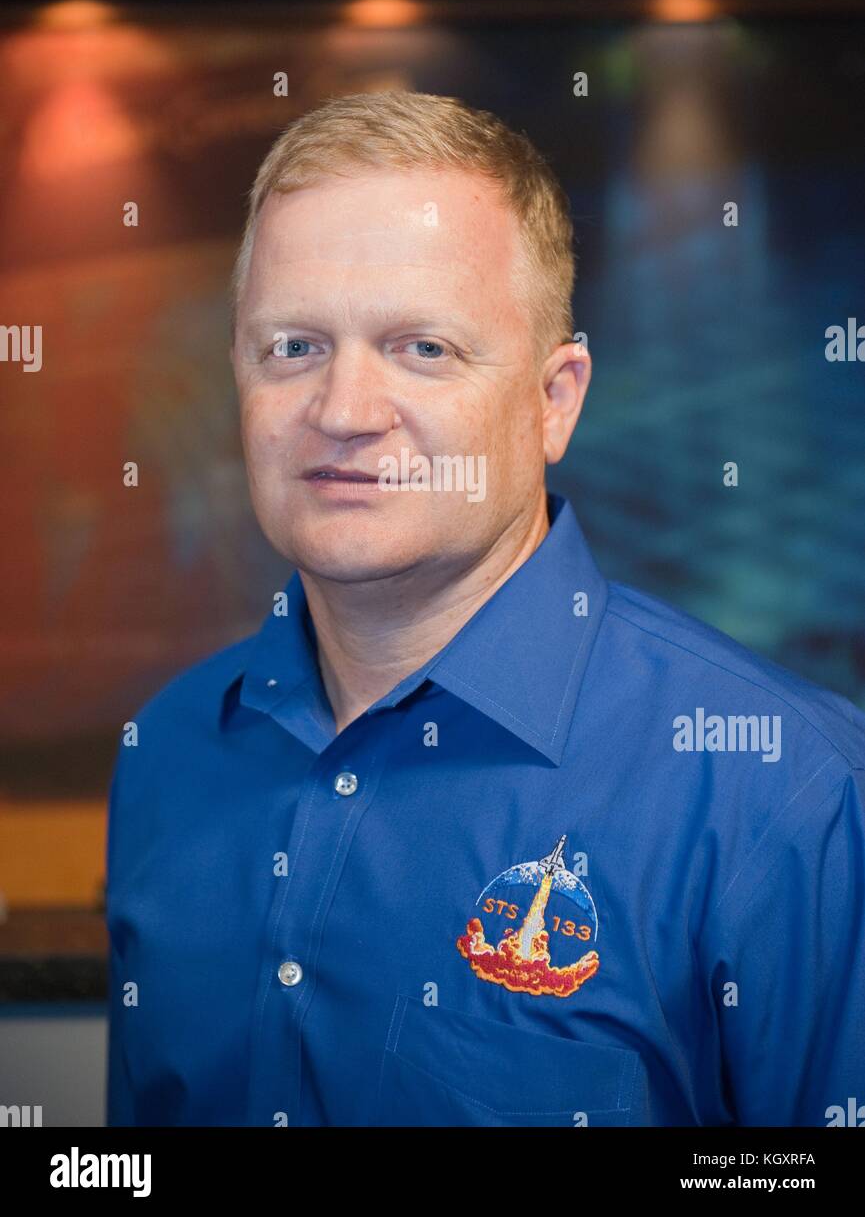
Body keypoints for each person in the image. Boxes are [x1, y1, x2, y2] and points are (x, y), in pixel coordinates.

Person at [106, 90, 865, 1127]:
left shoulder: (786, 795)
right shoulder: (172, 750)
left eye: (424, 347)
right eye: (292, 347)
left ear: (556, 398)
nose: (343, 411)